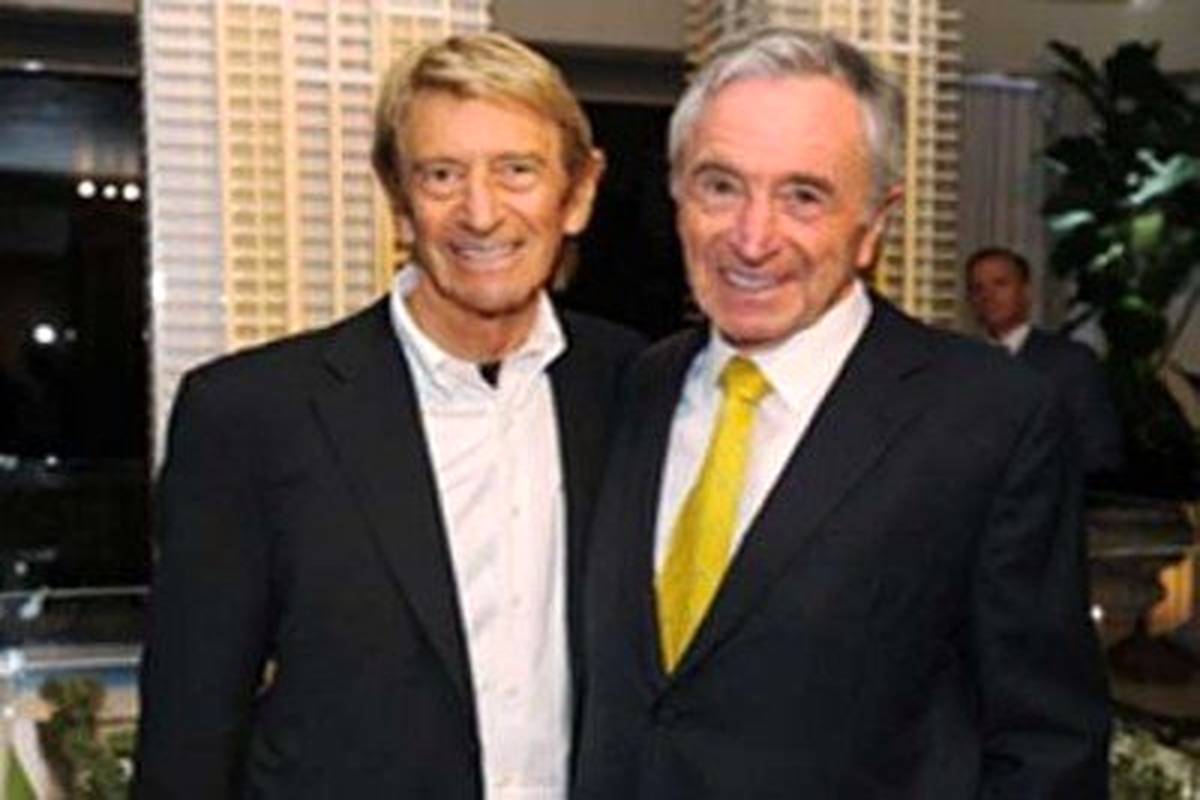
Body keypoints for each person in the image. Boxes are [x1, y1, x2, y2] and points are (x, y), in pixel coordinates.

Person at [576, 29, 1110, 798]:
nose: (752, 238)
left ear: (874, 224)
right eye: (721, 185)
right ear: (678, 195)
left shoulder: (989, 418)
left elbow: (1047, 745)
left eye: (804, 195)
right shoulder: (635, 386)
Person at [135, 32, 642, 799]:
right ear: (400, 202)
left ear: (578, 193)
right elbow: (189, 726)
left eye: (517, 170)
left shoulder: (632, 386)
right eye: (442, 175)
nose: (480, 212)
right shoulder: (250, 416)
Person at [966, 245, 1123, 478]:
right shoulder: (963, 366)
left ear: (1025, 292)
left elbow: (1100, 452)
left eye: (1000, 284)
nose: (988, 296)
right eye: (977, 288)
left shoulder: (1070, 362)